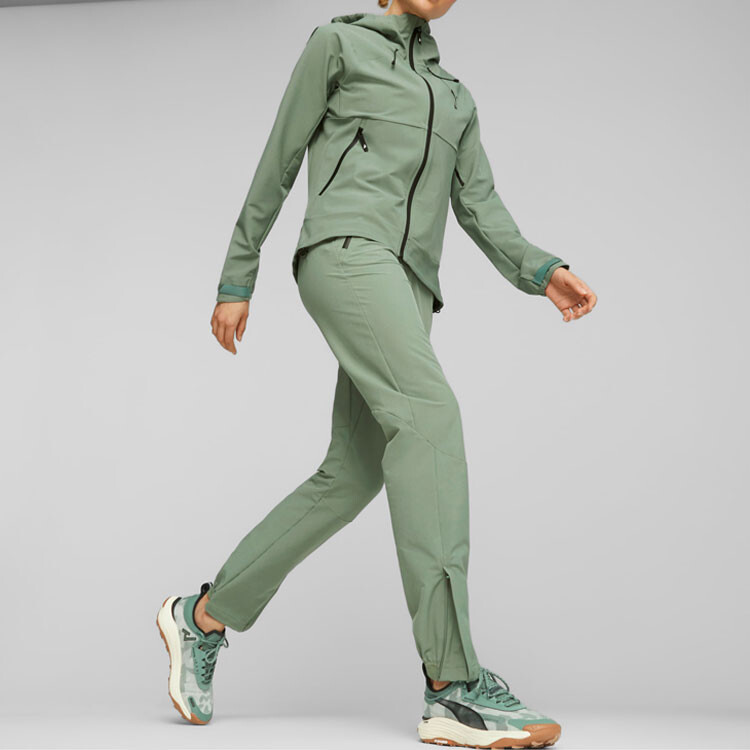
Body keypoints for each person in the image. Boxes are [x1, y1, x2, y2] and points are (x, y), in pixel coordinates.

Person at [156, 0, 597, 746]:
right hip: (346, 253)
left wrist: (540, 269)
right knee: (430, 421)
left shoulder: (455, 97)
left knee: (353, 473)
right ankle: (452, 685)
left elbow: (479, 203)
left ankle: (203, 616)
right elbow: (279, 158)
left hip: (411, 285)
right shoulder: (338, 45)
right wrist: (238, 275)